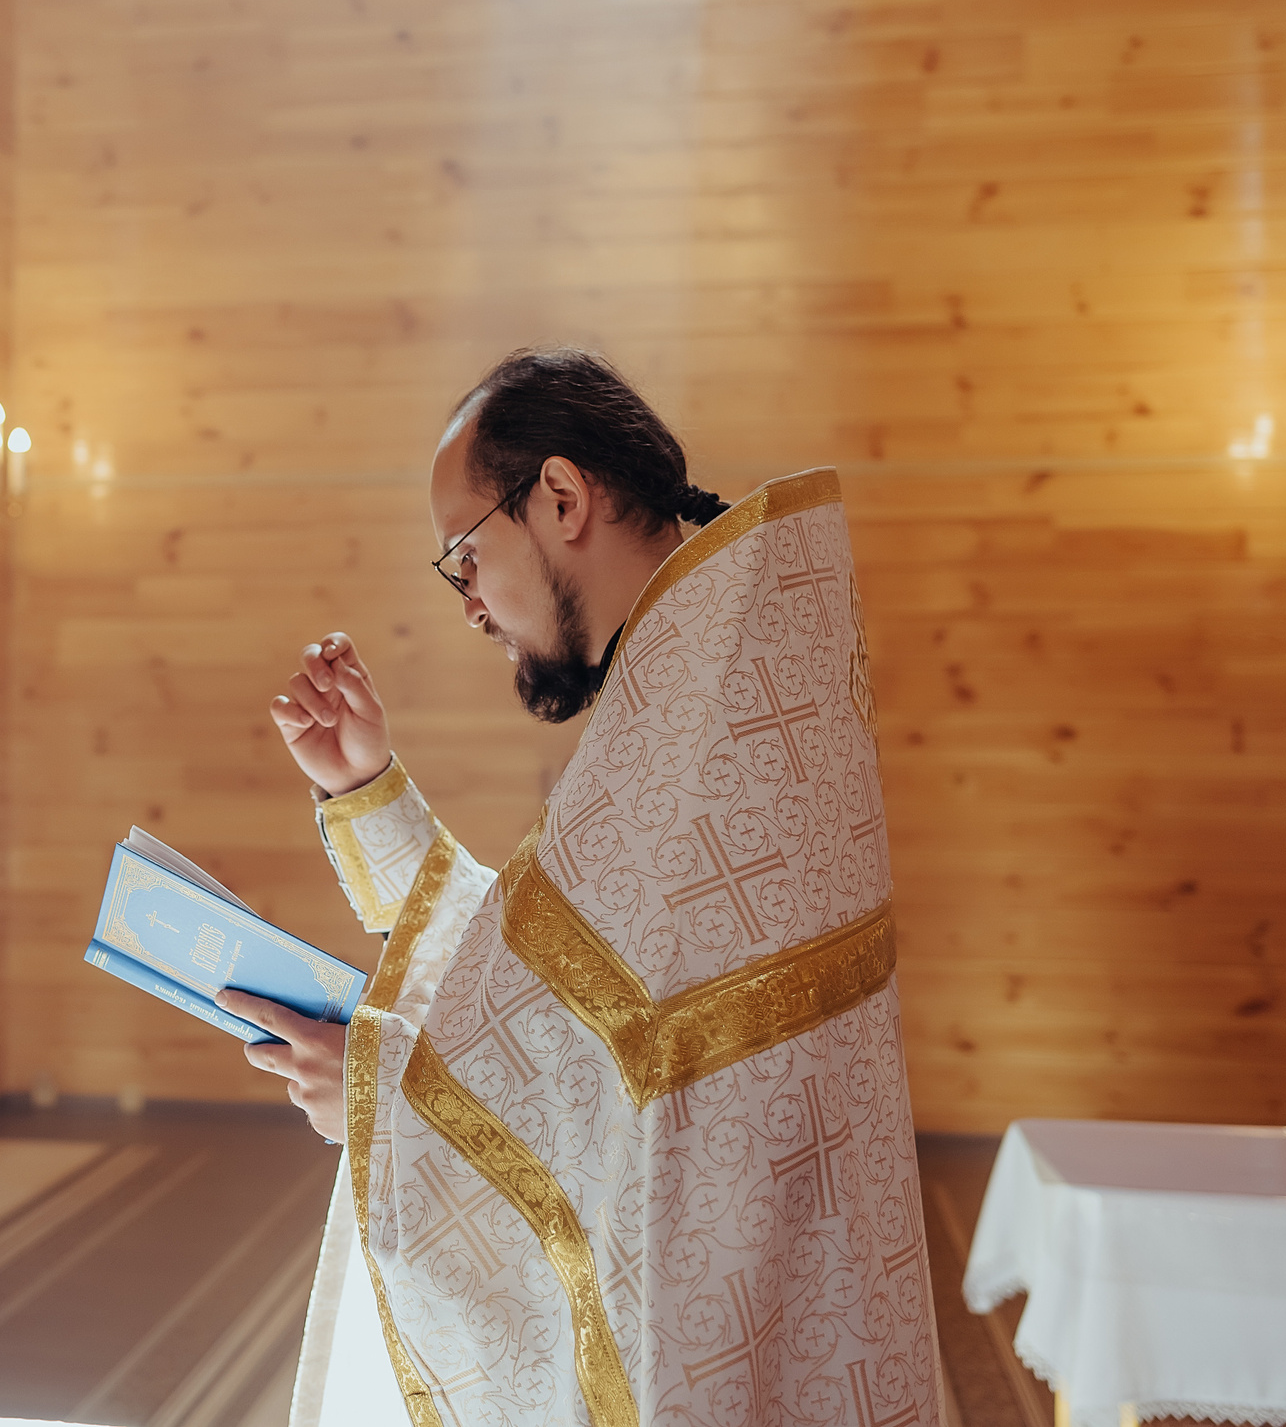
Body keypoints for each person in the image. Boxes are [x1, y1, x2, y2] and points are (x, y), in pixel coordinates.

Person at [222, 348, 938, 1427]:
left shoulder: (710, 721)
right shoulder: (701, 671)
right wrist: (366, 788)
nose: (467, 603)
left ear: (560, 496)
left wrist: (376, 1101)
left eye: (464, 555)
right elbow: (564, 986)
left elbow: (619, 1086)